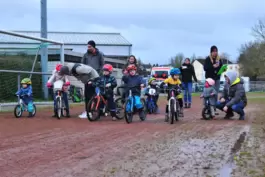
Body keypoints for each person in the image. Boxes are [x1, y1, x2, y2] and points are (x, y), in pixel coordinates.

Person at [79, 40, 104, 118]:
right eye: (88, 46)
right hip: (87, 77)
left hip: (96, 77)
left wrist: (98, 74)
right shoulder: (85, 55)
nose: (88, 48)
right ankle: (88, 111)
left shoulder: (100, 55)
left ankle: (98, 110)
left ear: (94, 47)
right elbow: (82, 65)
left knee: (97, 94)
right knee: (87, 94)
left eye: (90, 46)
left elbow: (102, 65)